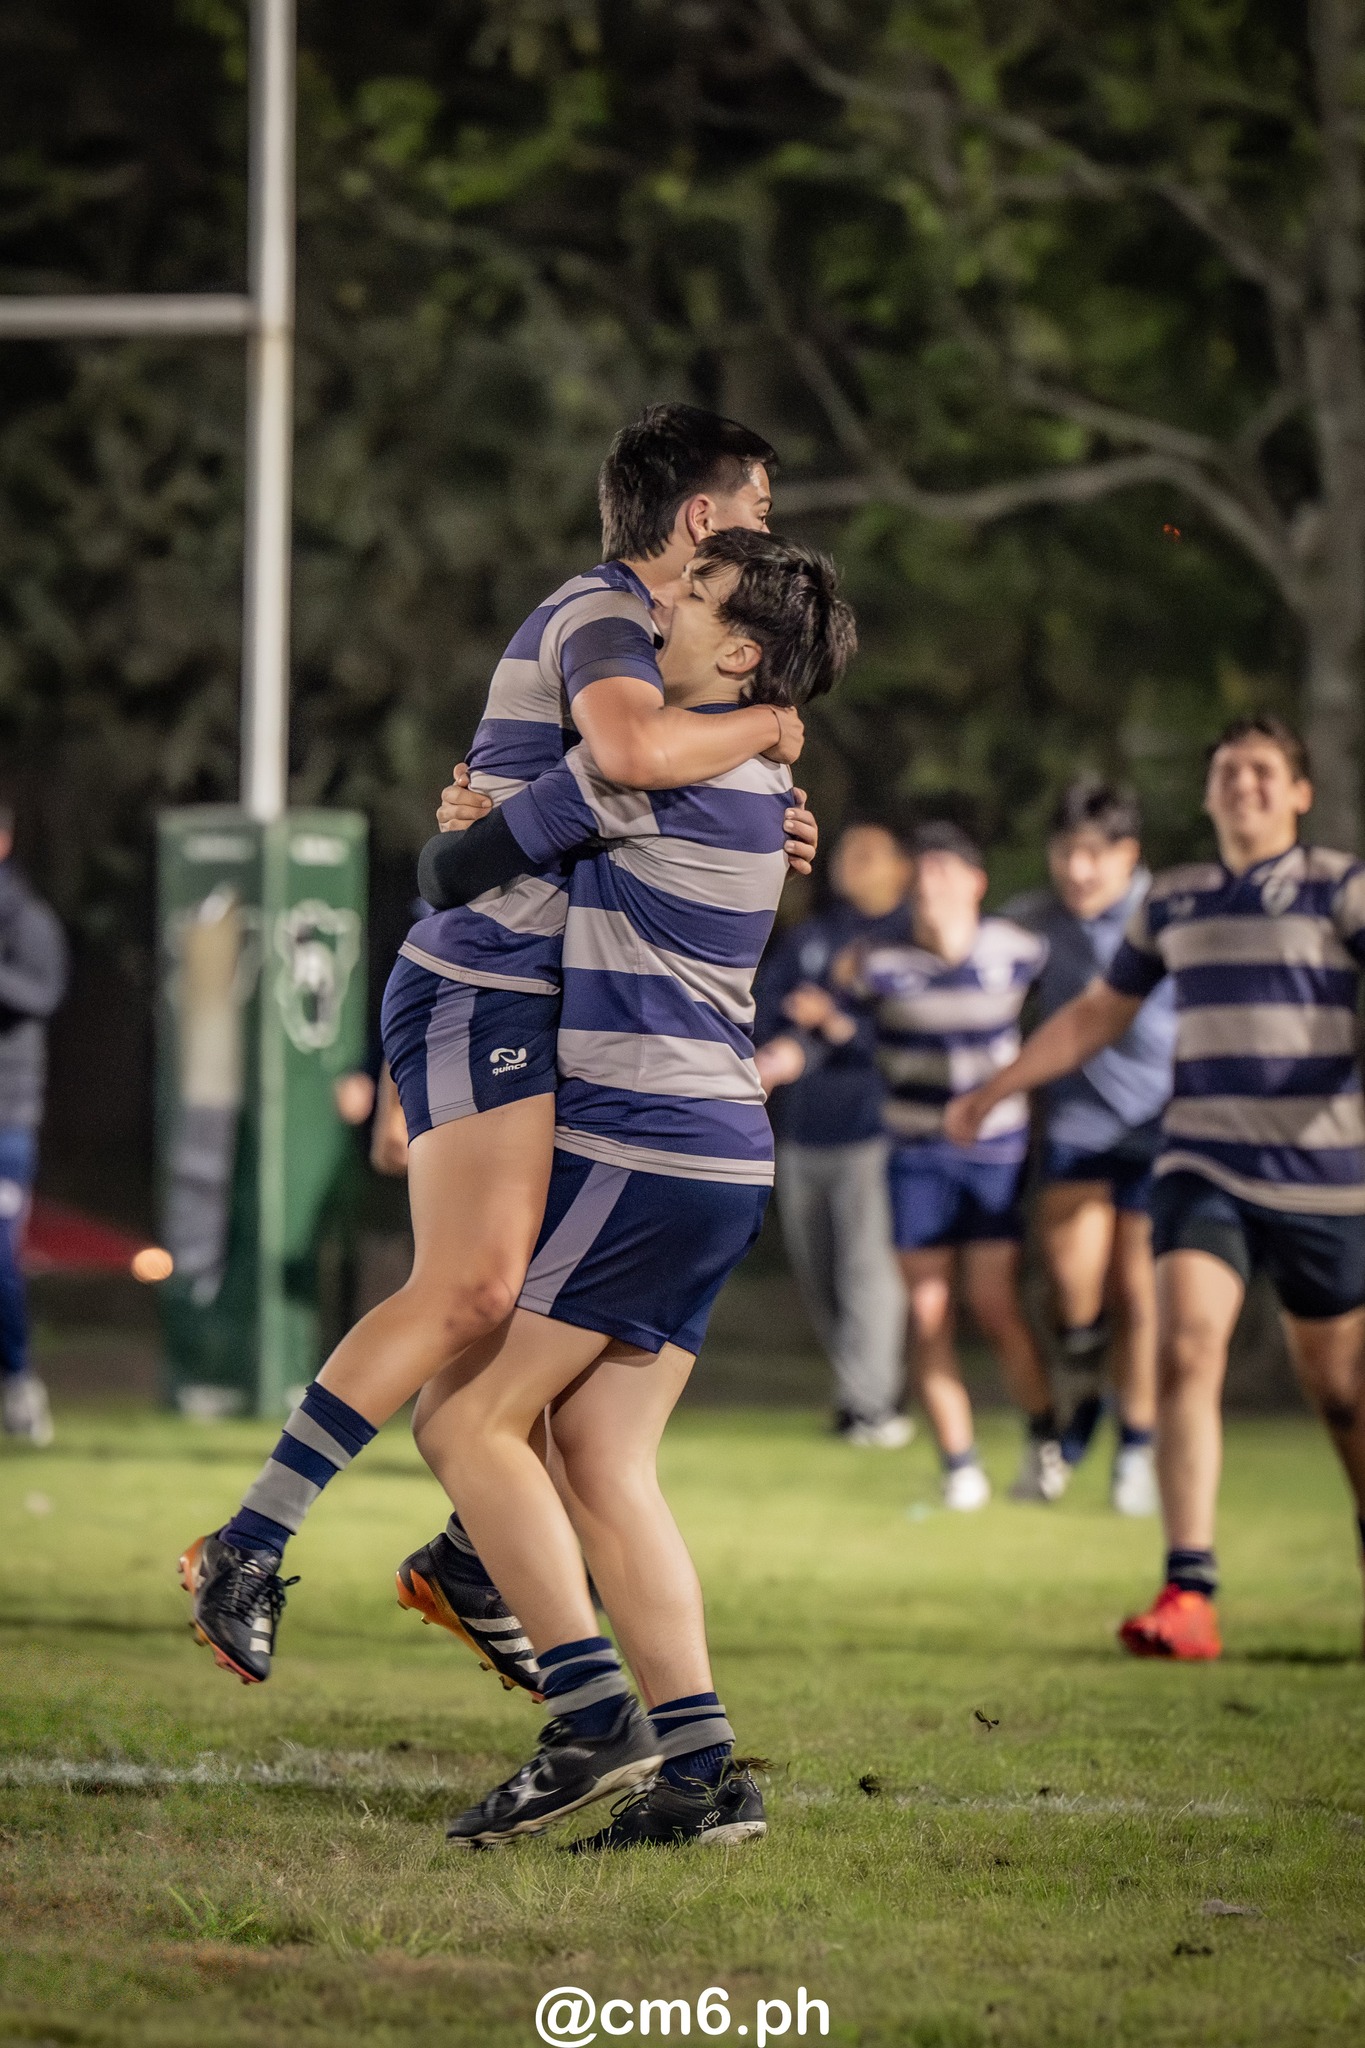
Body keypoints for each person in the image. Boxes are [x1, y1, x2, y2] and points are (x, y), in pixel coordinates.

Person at [178, 404, 817, 1686]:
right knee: (476, 1289)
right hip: (486, 982)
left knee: (551, 1322)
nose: (766, 524)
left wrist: (761, 797)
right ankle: (248, 1539)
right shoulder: (603, 614)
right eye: (755, 503)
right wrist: (768, 729)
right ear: (704, 516)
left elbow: (636, 780)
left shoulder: (671, 654)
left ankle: (478, 1559)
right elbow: (627, 756)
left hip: (573, 1009)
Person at [402, 528, 855, 1847]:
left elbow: (446, 878)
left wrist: (493, 812)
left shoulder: (637, 771)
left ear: (740, 654)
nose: (658, 615)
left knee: (467, 1422)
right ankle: (703, 1778)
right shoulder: (758, 782)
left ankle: (590, 1719)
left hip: (647, 1141)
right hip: (718, 1153)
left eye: (692, 602)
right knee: (604, 1461)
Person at [946, 715, 1365, 1659]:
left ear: (1298, 793)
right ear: (1210, 794)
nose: (1243, 784)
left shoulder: (1340, 888)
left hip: (1324, 1179)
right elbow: (1097, 1011)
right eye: (1228, 771)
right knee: (1184, 1347)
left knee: (1341, 1394)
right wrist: (998, 1086)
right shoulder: (1172, 902)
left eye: (1263, 771)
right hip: (1200, 1166)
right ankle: (1188, 1590)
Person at [830, 822, 1067, 1509]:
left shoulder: (1018, 951)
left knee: (992, 1304)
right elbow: (828, 1027)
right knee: (928, 1311)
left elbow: (1078, 1010)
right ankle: (959, 1465)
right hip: (913, 1150)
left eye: (943, 871)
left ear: (975, 883)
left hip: (994, 1150)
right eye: (921, 872)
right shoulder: (878, 962)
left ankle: (1041, 1436)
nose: (929, 885)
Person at [1004, 780, 1175, 1515]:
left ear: (1127, 856)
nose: (1075, 871)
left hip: (1163, 1127)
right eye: (1064, 853)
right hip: (1076, 1130)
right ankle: (1086, 1404)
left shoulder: (1169, 912)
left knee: (1138, 1294)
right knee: (1076, 1300)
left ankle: (1136, 1449)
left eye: (1091, 856)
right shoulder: (1033, 925)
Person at [752, 822, 912, 1446]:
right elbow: (764, 1010)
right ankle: (858, 1394)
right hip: (802, 1130)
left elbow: (904, 1040)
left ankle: (872, 1406)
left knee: (869, 1272)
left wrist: (838, 1023)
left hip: (872, 1128)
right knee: (820, 1272)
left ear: (903, 868)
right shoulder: (813, 939)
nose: (853, 862)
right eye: (848, 851)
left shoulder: (910, 939)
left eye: (872, 852)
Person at [0, 807, 69, 1448]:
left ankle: (19, 1382)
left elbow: (42, 992)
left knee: (1, 1257)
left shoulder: (27, 919)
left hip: (6, 1115)